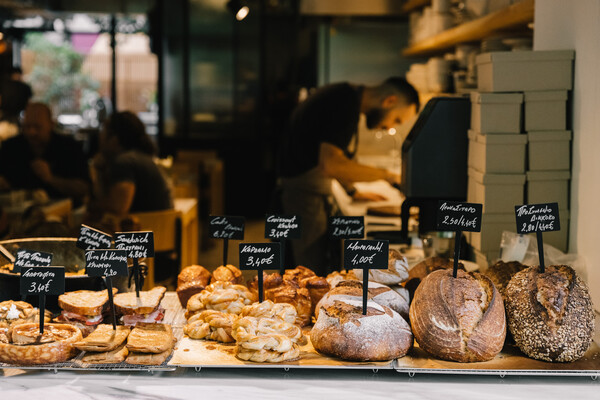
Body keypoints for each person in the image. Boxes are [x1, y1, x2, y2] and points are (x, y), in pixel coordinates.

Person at [278, 77, 420, 275]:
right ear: (389, 101)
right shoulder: (344, 104)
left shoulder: (346, 98)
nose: (390, 127)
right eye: (396, 120)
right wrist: (388, 176)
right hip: (303, 195)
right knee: (308, 271)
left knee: (312, 267)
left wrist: (351, 190)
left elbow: (331, 155)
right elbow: (331, 165)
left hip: (307, 189)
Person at [0, 102, 90, 204]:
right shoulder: (11, 147)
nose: (31, 132)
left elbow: (84, 189)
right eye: (27, 126)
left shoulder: (69, 148)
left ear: (51, 124)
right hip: (18, 212)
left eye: (37, 127)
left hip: (64, 212)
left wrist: (51, 179)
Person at [92, 111, 172, 219]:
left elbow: (118, 208)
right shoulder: (140, 158)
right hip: (158, 229)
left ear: (114, 139)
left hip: (145, 231)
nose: (100, 137)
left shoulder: (124, 162)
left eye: (103, 131)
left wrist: (93, 206)